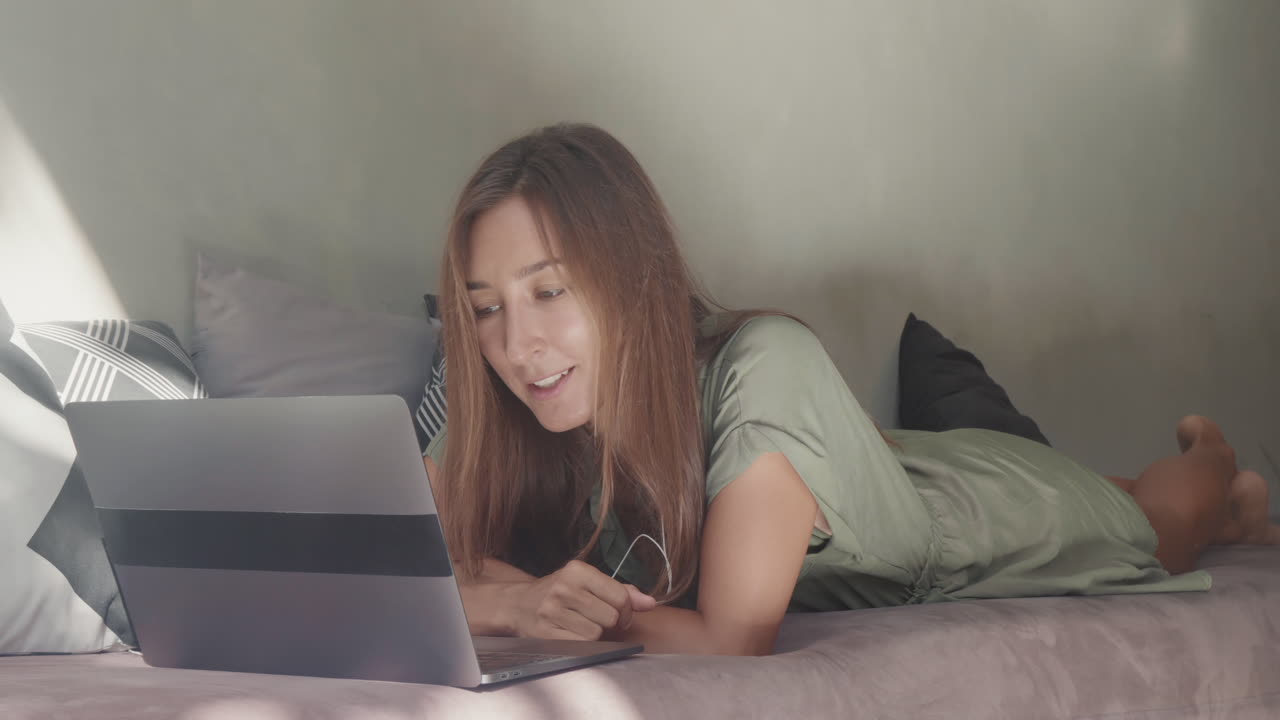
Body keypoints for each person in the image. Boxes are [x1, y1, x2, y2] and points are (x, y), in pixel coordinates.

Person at [422, 122, 1280, 656]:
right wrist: (505, 597)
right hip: (865, 472)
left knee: (1157, 526)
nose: (516, 344)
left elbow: (732, 641)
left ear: (628, 278)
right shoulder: (506, 404)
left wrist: (521, 604)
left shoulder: (765, 359)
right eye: (485, 308)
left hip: (982, 524)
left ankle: (1219, 469)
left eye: (549, 290)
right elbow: (397, 558)